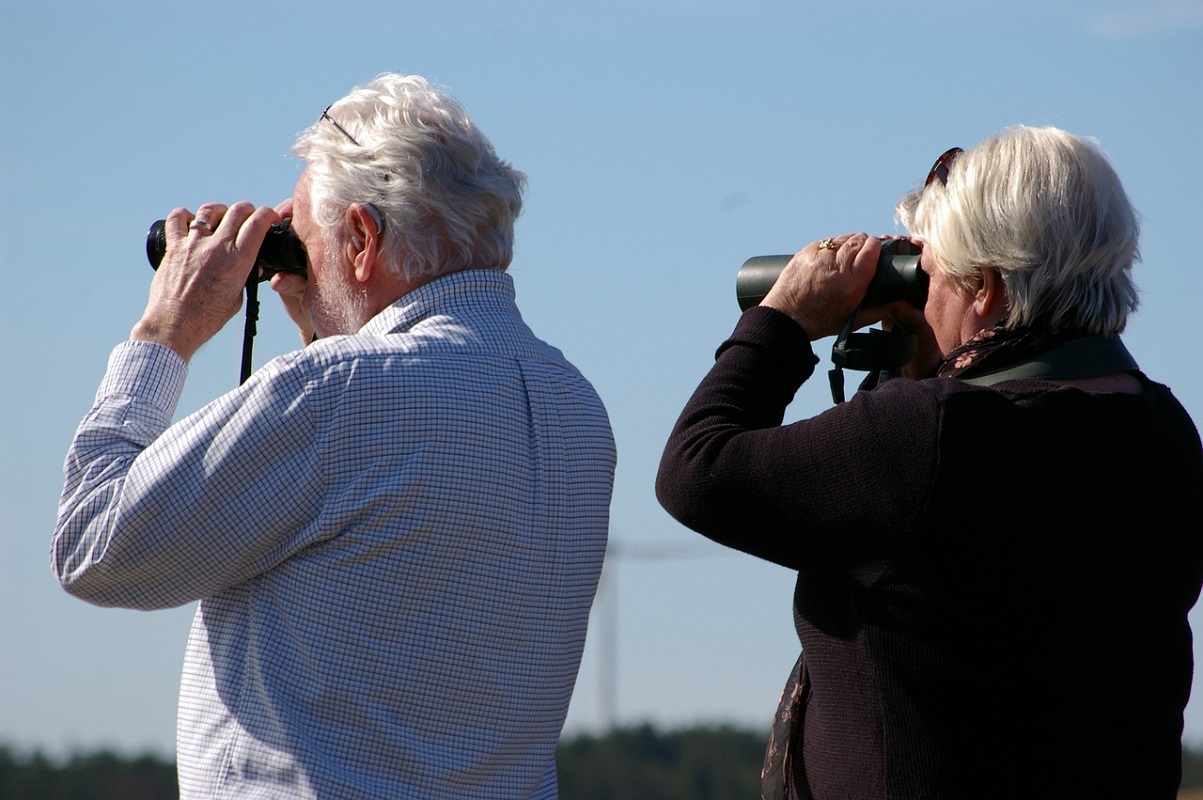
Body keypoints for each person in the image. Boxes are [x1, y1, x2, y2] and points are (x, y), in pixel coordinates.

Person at [54, 73, 616, 799]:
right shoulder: (574, 406)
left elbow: (94, 545)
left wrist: (163, 334)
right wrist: (325, 325)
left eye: (304, 241)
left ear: (361, 237)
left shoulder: (339, 393)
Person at [656, 125, 1203, 798]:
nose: (919, 293)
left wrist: (783, 322)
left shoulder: (932, 437)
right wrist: (922, 362)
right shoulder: (1163, 433)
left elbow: (697, 470)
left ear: (985, 287)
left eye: (929, 272)